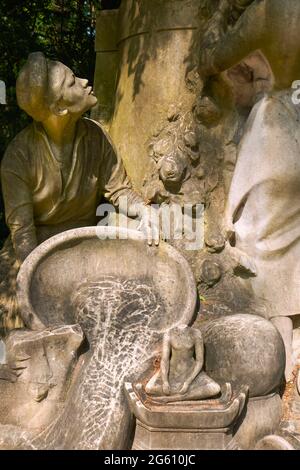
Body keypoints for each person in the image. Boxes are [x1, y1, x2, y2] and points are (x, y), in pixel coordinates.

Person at [0, 52, 159, 333]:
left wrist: (144, 210)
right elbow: (23, 236)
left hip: (85, 243)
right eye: (73, 82)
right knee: (19, 319)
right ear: (60, 108)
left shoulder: (95, 137)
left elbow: (119, 189)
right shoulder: (19, 157)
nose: (85, 82)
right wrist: (42, 277)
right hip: (36, 250)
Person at [199, 0, 300, 380]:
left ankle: (277, 346)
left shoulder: (270, 11)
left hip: (277, 128)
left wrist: (221, 14)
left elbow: (210, 59)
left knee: (260, 241)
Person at [145, 324, 220, 402]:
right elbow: (164, 360)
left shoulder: (195, 333)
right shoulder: (169, 333)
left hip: (191, 373)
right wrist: (165, 381)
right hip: (172, 373)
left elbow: (199, 361)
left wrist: (188, 382)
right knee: (149, 388)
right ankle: (183, 394)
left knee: (215, 388)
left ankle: (173, 398)